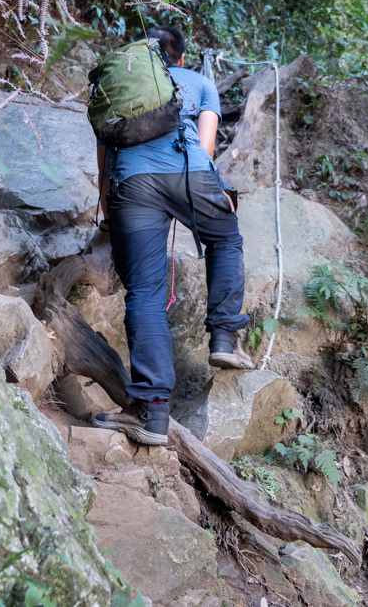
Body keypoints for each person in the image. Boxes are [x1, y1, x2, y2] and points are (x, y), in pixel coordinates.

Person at [93, 26, 252, 446]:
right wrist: (209, 198)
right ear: (179, 58)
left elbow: (105, 162)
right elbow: (205, 145)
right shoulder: (200, 82)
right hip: (190, 174)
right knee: (226, 238)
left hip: (132, 184)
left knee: (145, 291)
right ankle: (223, 337)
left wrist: (111, 215)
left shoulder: (118, 89)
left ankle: (153, 415)